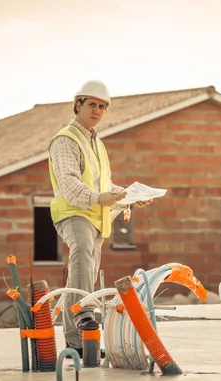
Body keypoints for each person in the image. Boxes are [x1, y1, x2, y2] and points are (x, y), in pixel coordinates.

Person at [48, 80, 152, 357]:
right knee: (81, 254)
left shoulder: (98, 145)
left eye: (102, 106)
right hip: (73, 213)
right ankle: (85, 312)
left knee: (85, 272)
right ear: (78, 105)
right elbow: (70, 187)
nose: (97, 110)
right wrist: (100, 199)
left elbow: (103, 184)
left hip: (96, 218)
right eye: (92, 104)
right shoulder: (65, 140)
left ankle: (77, 342)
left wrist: (129, 195)